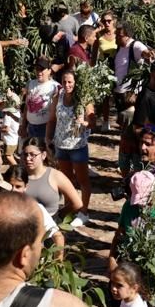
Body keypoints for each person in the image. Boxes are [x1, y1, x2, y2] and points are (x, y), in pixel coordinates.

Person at [49, 65, 95, 212]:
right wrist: (48, 138)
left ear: (76, 82)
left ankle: (84, 211)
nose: (67, 85)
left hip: (77, 146)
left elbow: (93, 122)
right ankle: (69, 208)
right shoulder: (58, 96)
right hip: (61, 146)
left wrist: (85, 123)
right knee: (66, 181)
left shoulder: (83, 97)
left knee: (83, 180)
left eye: (70, 82)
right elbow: (52, 119)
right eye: (64, 81)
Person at [15, 139, 83, 227]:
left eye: (33, 155)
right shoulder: (18, 174)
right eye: (25, 154)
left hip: (49, 228)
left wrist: (58, 216)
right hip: (22, 226)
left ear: (43, 155)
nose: (28, 158)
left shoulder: (56, 176)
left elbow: (77, 203)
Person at [22, 56, 60, 147]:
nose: (39, 72)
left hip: (45, 127)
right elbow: (27, 106)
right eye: (37, 69)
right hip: (31, 127)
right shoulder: (31, 84)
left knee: (45, 154)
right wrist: (23, 125)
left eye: (42, 69)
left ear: (49, 71)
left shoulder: (55, 86)